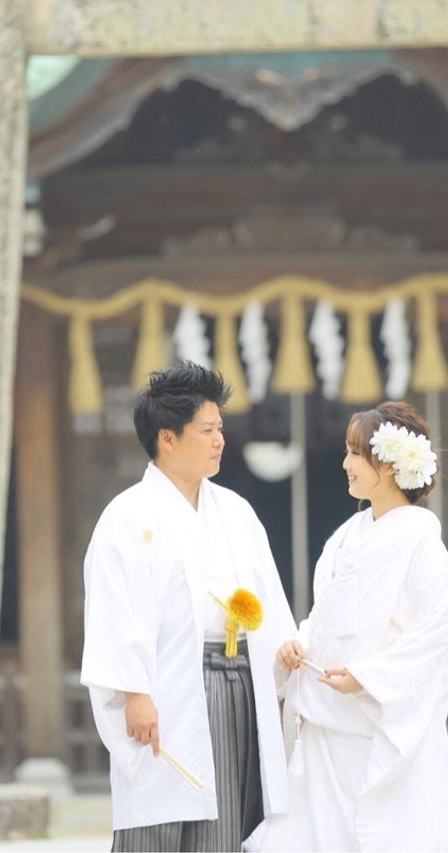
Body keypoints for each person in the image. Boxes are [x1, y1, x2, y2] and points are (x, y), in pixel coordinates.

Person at [81, 361, 296, 852]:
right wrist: (134, 692)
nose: (219, 440)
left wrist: (284, 648)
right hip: (165, 684)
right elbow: (114, 610)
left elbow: (268, 600)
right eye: (207, 430)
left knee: (223, 819)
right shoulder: (127, 516)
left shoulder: (237, 512)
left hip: (238, 679)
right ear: (168, 438)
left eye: (220, 429)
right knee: (156, 815)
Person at [247, 401, 448, 852]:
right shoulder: (346, 537)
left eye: (356, 453)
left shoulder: (421, 543)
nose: (345, 463)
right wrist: (299, 643)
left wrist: (369, 678)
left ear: (389, 465)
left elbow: (435, 632)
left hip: (375, 718)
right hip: (326, 715)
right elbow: (325, 616)